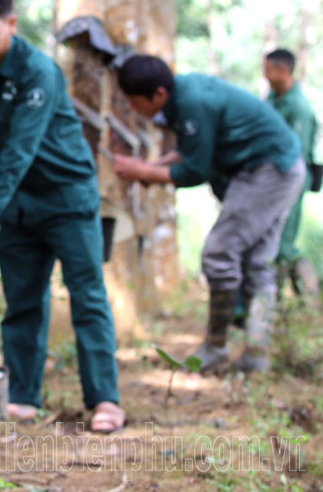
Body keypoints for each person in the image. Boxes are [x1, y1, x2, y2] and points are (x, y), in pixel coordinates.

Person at [0, 0, 124, 433]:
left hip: (67, 200)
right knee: (22, 303)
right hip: (18, 208)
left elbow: (18, 149)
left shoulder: (39, 72)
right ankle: (22, 397)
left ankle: (105, 400)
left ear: (11, 23)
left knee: (87, 297)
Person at [114, 55, 304, 374]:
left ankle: (216, 346)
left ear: (158, 94)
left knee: (219, 252)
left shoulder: (192, 102)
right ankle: (258, 353)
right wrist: (152, 169)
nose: (134, 111)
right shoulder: (182, 96)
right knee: (257, 260)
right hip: (280, 167)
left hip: (268, 170)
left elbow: (195, 170)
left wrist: (143, 169)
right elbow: (193, 151)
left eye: (134, 103)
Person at [263, 48, 319, 297]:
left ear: (283, 70)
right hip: (271, 180)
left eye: (268, 70)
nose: (265, 75)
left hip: (292, 180)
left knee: (284, 244)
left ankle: (306, 297)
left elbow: (297, 153)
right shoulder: (273, 98)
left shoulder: (299, 108)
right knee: (271, 239)